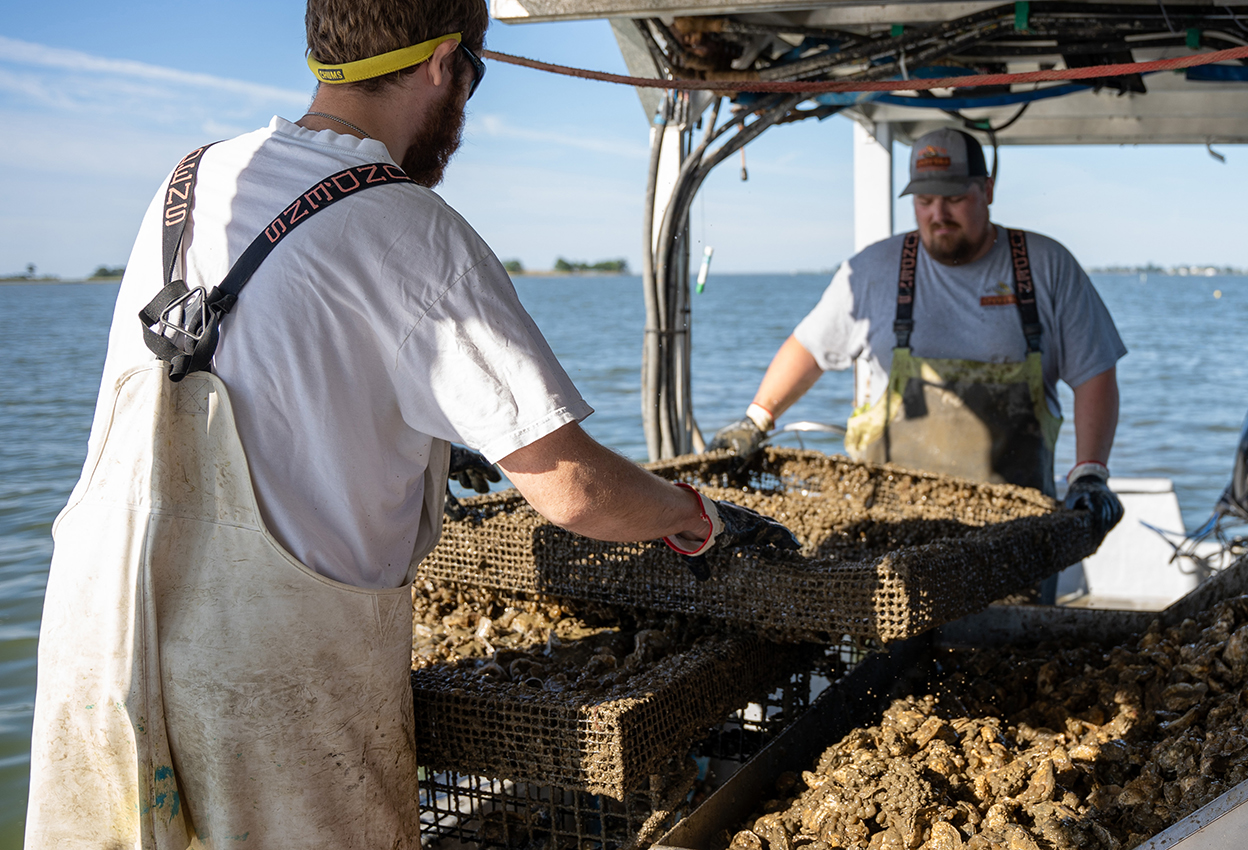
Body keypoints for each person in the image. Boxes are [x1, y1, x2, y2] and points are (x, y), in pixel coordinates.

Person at [24, 2, 792, 847]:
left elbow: (262, 375)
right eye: (473, 77)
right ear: (444, 66)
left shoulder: (191, 180)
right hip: (274, 675)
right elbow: (571, 489)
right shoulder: (412, 228)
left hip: (100, 633)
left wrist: (434, 433)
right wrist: (692, 517)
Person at [712, 128, 1127, 538]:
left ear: (988, 190)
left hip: (1015, 531)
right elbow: (810, 349)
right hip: (888, 528)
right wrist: (757, 419)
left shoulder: (1046, 266)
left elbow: (1095, 374)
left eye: (954, 199)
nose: (938, 215)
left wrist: (1089, 472)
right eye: (925, 201)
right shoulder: (873, 271)